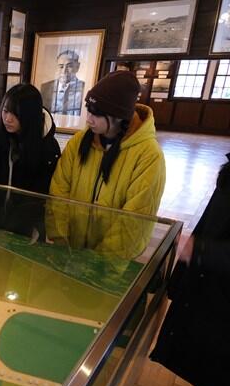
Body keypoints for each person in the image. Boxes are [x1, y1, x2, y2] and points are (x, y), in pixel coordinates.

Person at [47, 70, 165, 258]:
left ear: (118, 116)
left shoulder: (148, 155)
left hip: (110, 262)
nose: (89, 119)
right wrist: (61, 239)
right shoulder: (79, 141)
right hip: (70, 250)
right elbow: (59, 190)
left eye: (97, 114)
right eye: (88, 110)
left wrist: (101, 261)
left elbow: (135, 220)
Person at [151, 156, 230, 386]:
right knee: (208, 385)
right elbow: (210, 222)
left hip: (219, 295)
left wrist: (199, 250)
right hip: (212, 296)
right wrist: (181, 278)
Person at [0, 83, 61, 194]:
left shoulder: (48, 148)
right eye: (5, 111)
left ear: (30, 116)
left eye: (16, 114)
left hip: (30, 205)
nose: (8, 119)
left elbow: (42, 193)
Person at [40, 50, 85, 116]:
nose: (64, 71)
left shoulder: (85, 88)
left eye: (69, 66)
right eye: (61, 66)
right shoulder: (44, 87)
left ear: (77, 67)